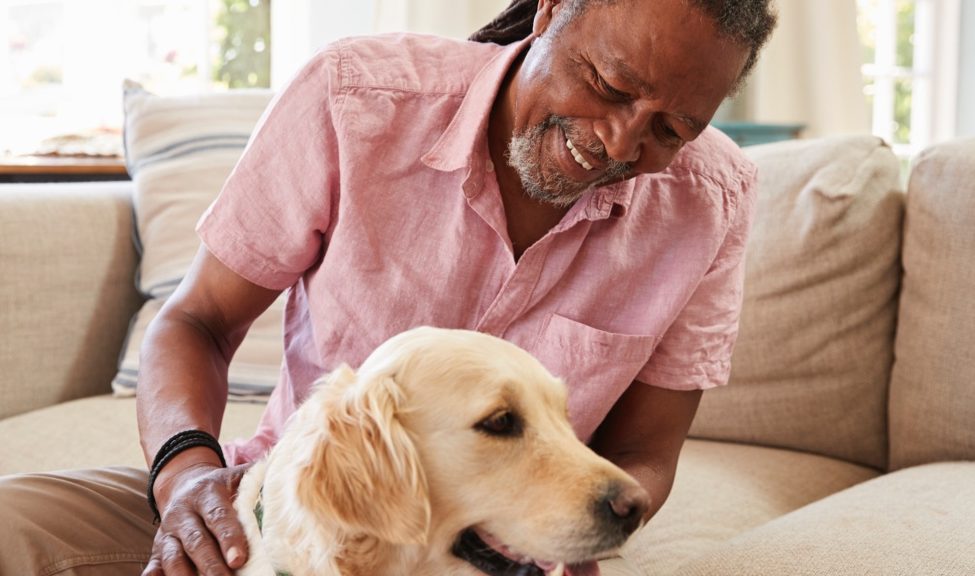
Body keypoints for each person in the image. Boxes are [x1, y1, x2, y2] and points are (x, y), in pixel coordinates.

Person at [0, 0, 776, 574]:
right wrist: (188, 478)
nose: (618, 140)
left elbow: (643, 452)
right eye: (606, 84)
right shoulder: (356, 98)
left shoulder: (711, 202)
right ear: (546, 15)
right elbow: (196, 320)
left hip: (493, 547)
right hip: (295, 498)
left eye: (670, 129)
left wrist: (565, 539)